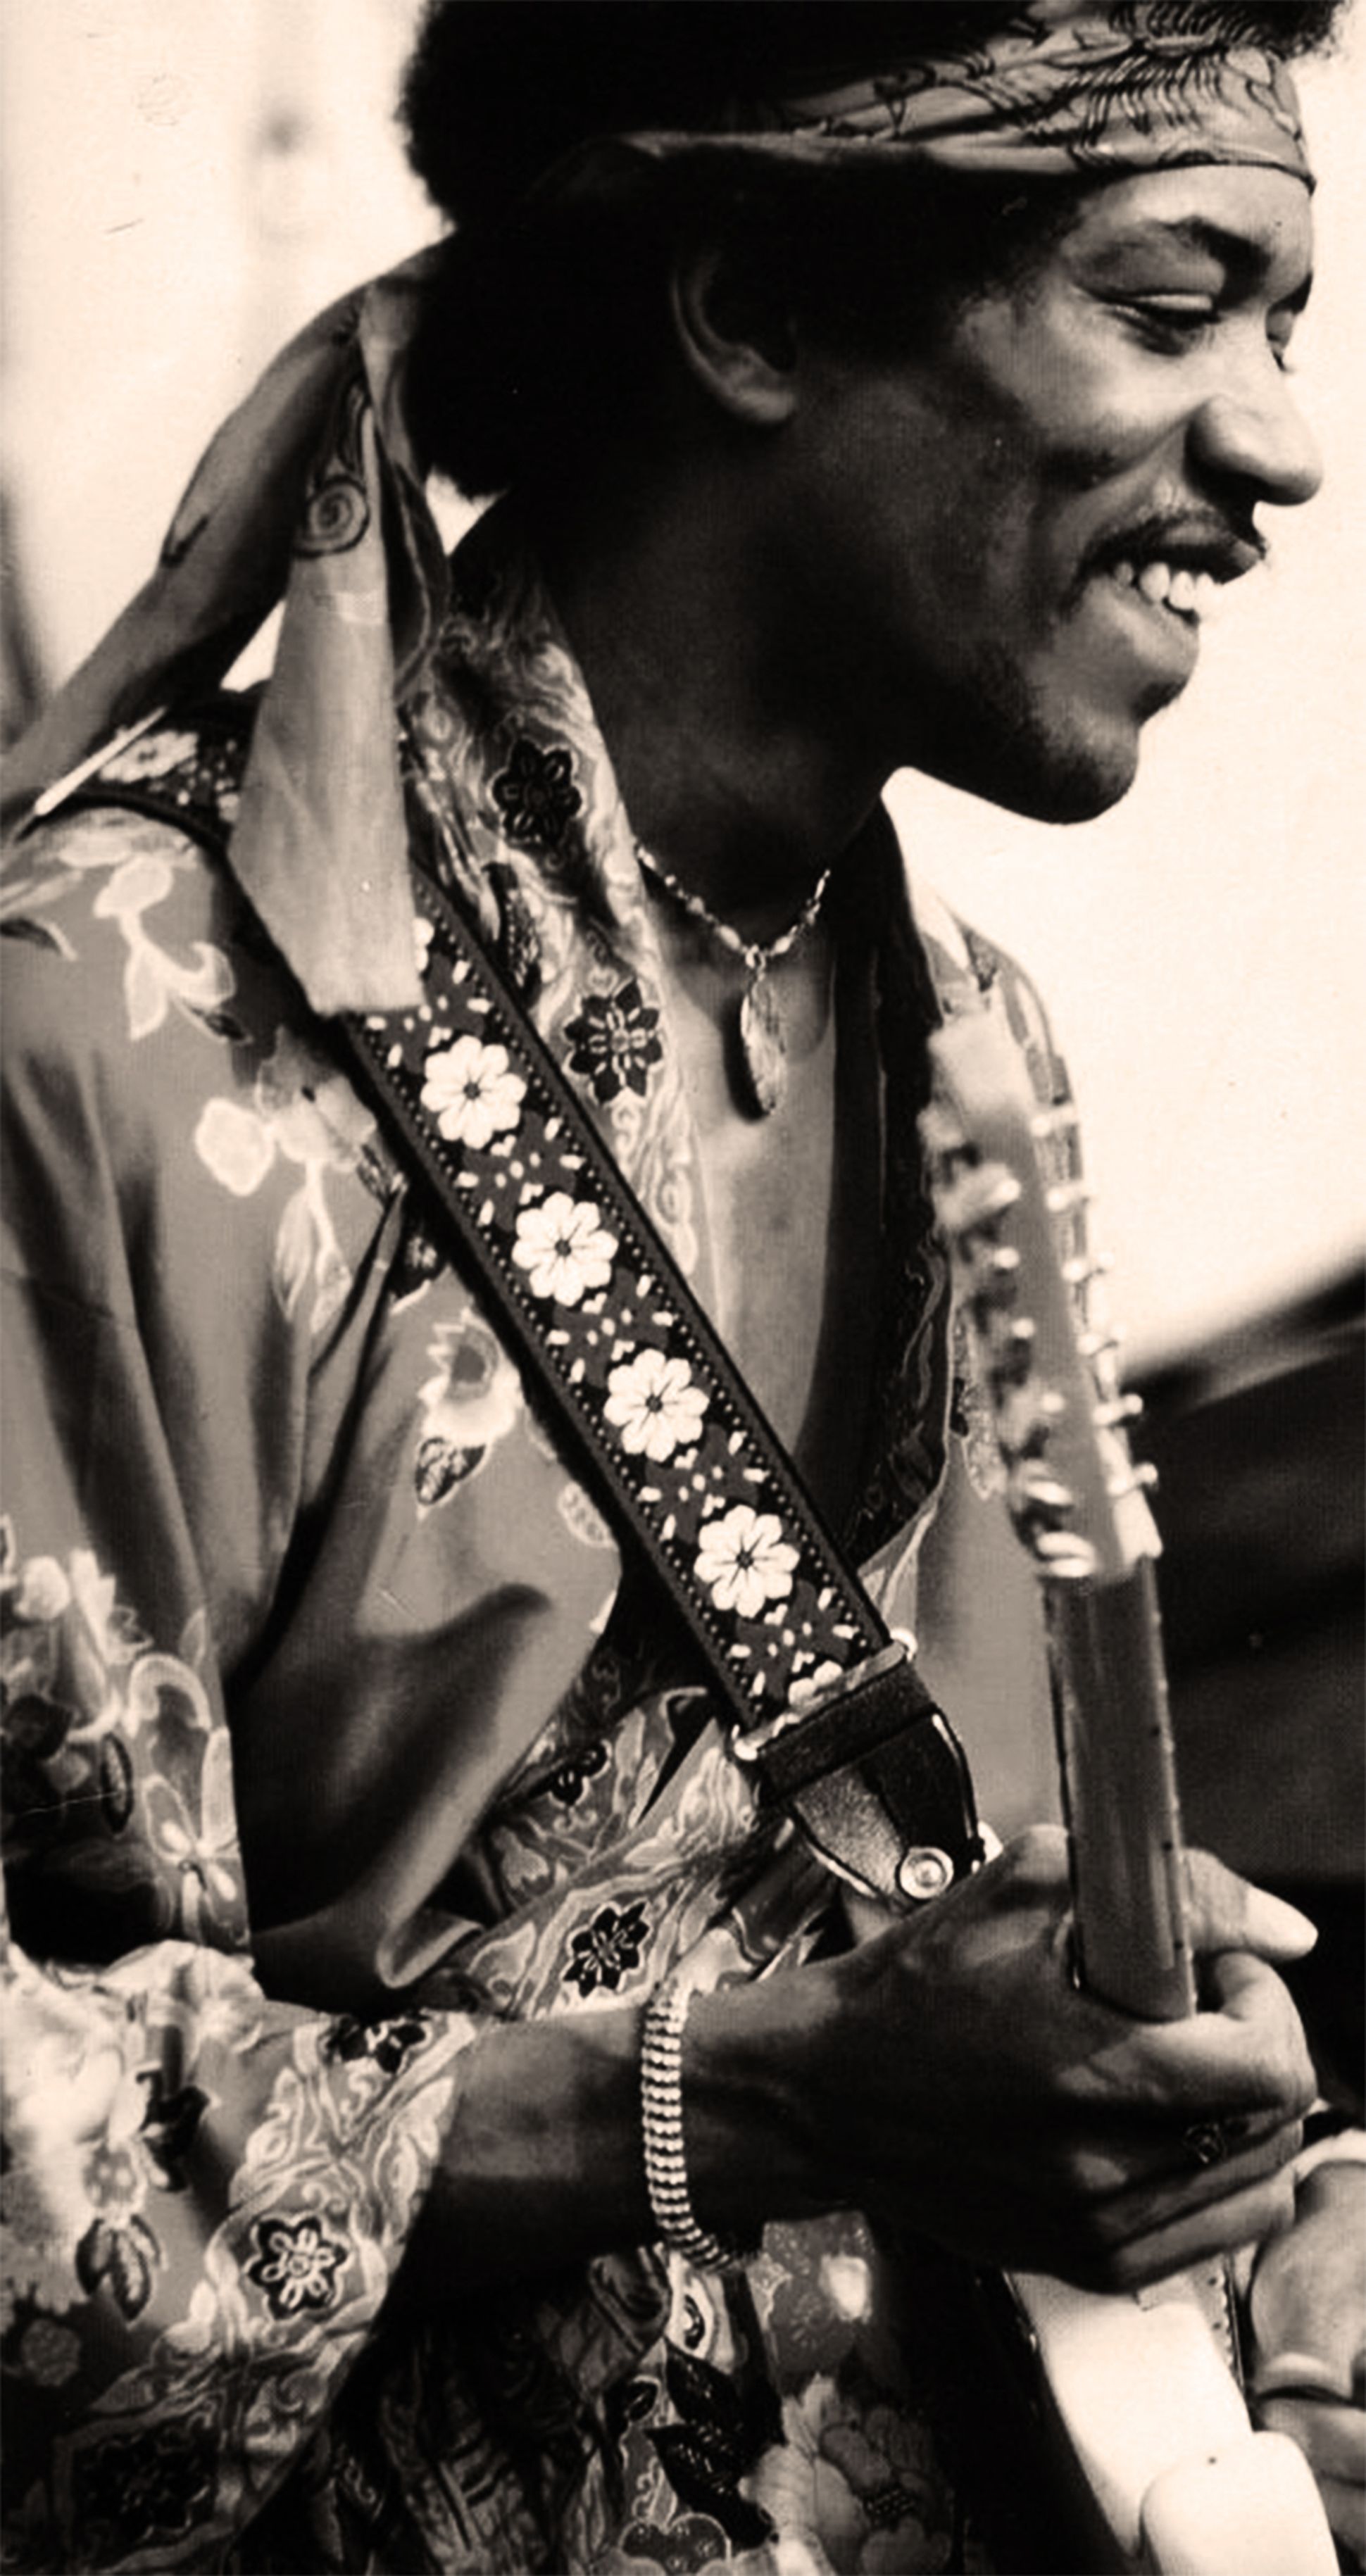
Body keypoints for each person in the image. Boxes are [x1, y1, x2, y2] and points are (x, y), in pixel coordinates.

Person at [2, 4, 1362, 2568]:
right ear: (745, 304)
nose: (1277, 444)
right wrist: (728, 2100)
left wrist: (1258, 2231)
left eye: (1281, 330)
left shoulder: (973, 1059)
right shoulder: (122, 1023)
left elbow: (972, 1923)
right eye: (1170, 304)